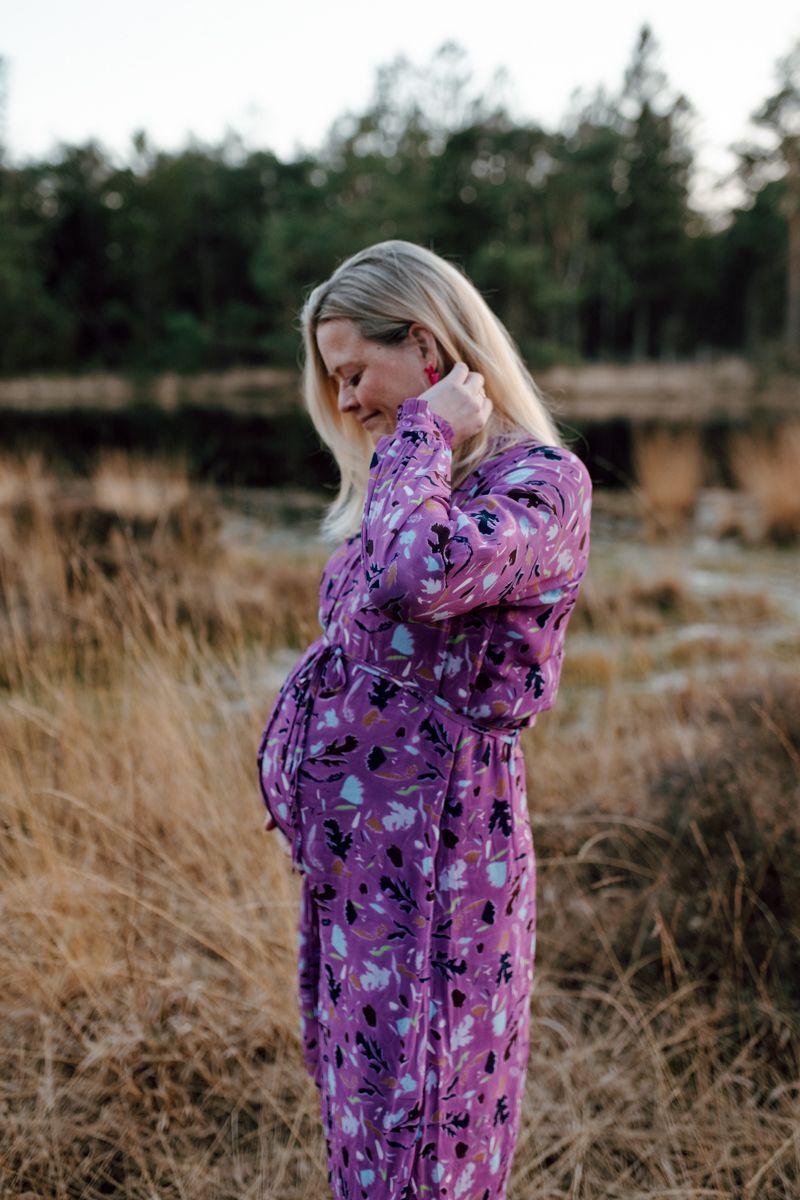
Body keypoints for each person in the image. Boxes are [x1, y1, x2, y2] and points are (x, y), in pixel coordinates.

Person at [257, 240, 592, 1200]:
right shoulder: (423, 482)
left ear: (431, 349)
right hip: (363, 881)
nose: (350, 401)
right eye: (336, 381)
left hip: (440, 880)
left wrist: (424, 436)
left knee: (427, 1124)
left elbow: (420, 577)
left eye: (356, 371)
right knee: (366, 1115)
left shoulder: (539, 485)